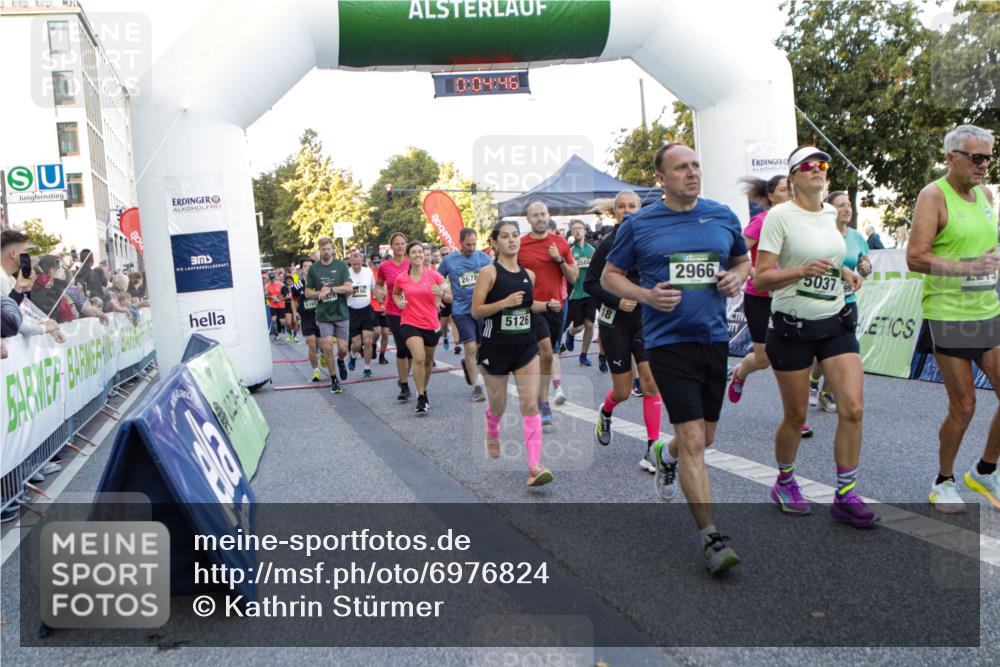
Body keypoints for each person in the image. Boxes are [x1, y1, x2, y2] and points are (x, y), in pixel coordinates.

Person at [603, 142, 751, 574]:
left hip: (713, 339)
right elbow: (611, 276)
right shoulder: (641, 224)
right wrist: (645, 294)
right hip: (667, 344)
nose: (692, 173)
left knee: (704, 440)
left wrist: (735, 279)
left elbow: (744, 262)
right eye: (681, 167)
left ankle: (665, 458)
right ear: (661, 179)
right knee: (692, 440)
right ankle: (711, 538)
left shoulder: (722, 215)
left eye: (695, 165)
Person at [754, 145, 875, 528]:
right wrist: (801, 271)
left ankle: (845, 494)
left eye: (822, 164)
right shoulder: (779, 217)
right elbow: (762, 277)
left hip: (835, 321)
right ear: (793, 177)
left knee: (852, 408)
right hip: (792, 326)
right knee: (796, 415)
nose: (818, 170)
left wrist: (843, 273)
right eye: (808, 166)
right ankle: (785, 481)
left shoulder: (829, 213)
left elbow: (832, 258)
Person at [908, 124, 1000, 512]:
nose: (984, 166)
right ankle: (943, 480)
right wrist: (968, 270)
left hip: (988, 311)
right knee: (964, 406)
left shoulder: (986, 194)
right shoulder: (933, 196)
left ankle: (984, 470)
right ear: (951, 157)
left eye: (989, 158)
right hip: (948, 315)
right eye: (976, 158)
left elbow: (986, 250)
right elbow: (915, 257)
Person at [725, 176, 818, 436]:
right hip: (760, 297)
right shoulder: (761, 222)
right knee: (765, 359)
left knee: (796, 356)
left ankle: (796, 416)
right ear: (771, 195)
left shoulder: (800, 222)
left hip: (791, 296)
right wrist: (757, 273)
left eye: (791, 190)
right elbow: (737, 255)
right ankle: (741, 373)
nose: (789, 194)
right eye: (783, 190)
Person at [586, 191, 666, 474]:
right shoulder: (608, 243)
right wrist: (617, 300)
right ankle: (606, 411)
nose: (628, 210)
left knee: (650, 384)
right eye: (622, 207)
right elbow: (590, 284)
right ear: (614, 212)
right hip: (615, 323)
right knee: (621, 391)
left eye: (633, 206)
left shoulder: (650, 240)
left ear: (640, 209)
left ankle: (652, 448)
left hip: (645, 321)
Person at [472, 220, 553, 487]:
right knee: (499, 405)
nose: (512, 240)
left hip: (524, 346)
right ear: (495, 243)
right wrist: (503, 303)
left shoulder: (529, 275)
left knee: (530, 404)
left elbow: (527, 307)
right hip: (495, 348)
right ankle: (491, 431)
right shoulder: (488, 272)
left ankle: (534, 467)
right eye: (505, 236)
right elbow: (477, 311)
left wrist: (548, 305)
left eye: (515, 235)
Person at [518, 202, 579, 425]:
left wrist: (559, 259)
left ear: (548, 215)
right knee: (544, 352)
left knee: (547, 356)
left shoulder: (560, 243)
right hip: (532, 307)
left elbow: (573, 277)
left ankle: (540, 397)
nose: (540, 218)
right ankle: (543, 403)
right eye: (535, 215)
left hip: (556, 307)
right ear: (529, 219)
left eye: (543, 214)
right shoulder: (521, 245)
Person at [393, 242, 451, 414]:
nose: (418, 255)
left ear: (425, 255)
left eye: (421, 252)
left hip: (431, 324)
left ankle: (423, 390)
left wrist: (441, 294)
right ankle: (420, 397)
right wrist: (399, 302)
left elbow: (451, 298)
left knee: (427, 361)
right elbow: (395, 293)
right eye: (414, 252)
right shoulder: (402, 277)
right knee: (418, 357)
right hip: (409, 322)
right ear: (408, 256)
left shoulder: (435, 276)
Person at [438, 228, 493, 402]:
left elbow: (495, 277)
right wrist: (441, 294)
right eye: (468, 244)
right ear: (460, 242)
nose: (471, 248)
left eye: (474, 244)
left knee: (479, 349)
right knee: (470, 348)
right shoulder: (449, 261)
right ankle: (476, 388)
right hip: (461, 311)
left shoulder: (483, 258)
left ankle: (468, 365)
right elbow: (436, 279)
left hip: (482, 309)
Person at [305, 237, 354, 394]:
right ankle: (334, 379)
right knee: (326, 345)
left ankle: (341, 360)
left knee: (343, 348)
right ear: (319, 250)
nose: (326, 251)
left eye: (328, 249)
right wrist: (320, 293)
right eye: (323, 249)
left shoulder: (340, 266)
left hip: (341, 312)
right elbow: (307, 292)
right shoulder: (314, 269)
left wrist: (332, 289)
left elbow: (348, 287)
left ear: (332, 249)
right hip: (324, 314)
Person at [376, 233, 414, 401]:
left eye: (402, 243)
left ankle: (404, 377)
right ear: (391, 247)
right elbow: (378, 284)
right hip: (394, 310)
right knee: (402, 347)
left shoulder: (412, 263)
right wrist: (380, 295)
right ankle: (404, 386)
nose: (400, 246)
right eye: (396, 244)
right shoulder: (385, 267)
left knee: (412, 349)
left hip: (413, 309)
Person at [563, 219, 597, 367]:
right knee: (579, 327)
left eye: (580, 228)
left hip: (590, 293)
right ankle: (570, 333)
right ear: (571, 232)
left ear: (585, 231)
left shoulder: (592, 250)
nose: (577, 231)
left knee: (590, 324)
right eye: (574, 229)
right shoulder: (570, 251)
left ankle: (583, 355)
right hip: (576, 293)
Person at [347, 250, 377, 379]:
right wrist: (348, 292)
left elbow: (373, 288)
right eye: (354, 264)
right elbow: (342, 292)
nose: (357, 267)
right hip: (352, 310)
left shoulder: (368, 272)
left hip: (366, 309)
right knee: (357, 344)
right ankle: (353, 355)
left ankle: (367, 368)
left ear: (363, 262)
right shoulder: (346, 273)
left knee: (368, 341)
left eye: (359, 264)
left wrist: (378, 296)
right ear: (350, 263)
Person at [369, 255, 390, 365]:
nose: (377, 264)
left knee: (385, 333)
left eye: (379, 262)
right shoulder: (369, 273)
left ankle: (382, 355)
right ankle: (373, 344)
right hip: (373, 306)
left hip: (385, 307)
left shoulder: (386, 272)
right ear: (371, 263)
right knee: (376, 332)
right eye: (374, 262)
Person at [265, 272, 286, 340]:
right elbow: (266, 296)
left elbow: (285, 293)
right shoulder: (267, 286)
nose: (272, 280)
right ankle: (276, 334)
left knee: (282, 321)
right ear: (269, 279)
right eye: (271, 279)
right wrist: (271, 297)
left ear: (275, 278)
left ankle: (283, 327)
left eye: (273, 278)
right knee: (274, 320)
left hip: (280, 305)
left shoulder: (281, 284)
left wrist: (279, 298)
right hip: (272, 305)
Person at [282, 274, 299, 342]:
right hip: (287, 305)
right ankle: (289, 333)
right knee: (288, 323)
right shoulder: (283, 288)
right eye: (287, 281)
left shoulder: (296, 287)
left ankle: (295, 336)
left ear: (292, 281)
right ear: (285, 281)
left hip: (295, 305)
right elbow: (281, 297)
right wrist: (287, 297)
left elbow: (299, 296)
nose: (289, 282)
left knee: (295, 322)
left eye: (290, 281)